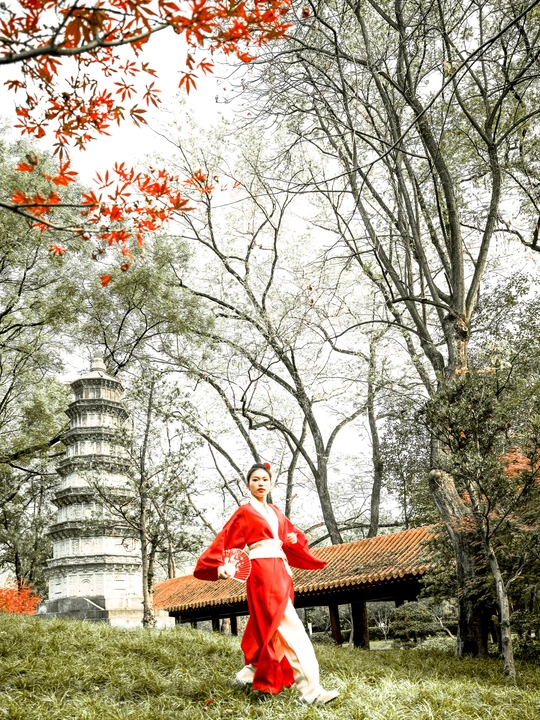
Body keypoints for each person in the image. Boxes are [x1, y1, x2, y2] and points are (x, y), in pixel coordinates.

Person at [193, 462, 339, 705]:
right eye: (255, 479)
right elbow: (226, 540)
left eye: (264, 479)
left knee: (269, 627)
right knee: (292, 629)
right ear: (248, 484)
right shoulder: (244, 512)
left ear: (271, 484)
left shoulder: (276, 512)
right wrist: (220, 566)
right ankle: (311, 692)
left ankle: (247, 675)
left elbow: (294, 536)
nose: (260, 483)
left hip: (281, 571)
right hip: (262, 573)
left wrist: (292, 539)